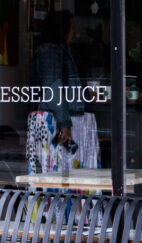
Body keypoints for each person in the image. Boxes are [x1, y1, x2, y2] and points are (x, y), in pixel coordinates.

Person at [27, 11, 99, 172]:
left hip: (60, 121)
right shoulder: (50, 52)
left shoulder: (58, 51)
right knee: (57, 170)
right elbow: (53, 89)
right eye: (71, 27)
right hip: (56, 123)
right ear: (62, 30)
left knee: (62, 170)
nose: (74, 31)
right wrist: (64, 124)